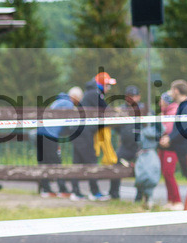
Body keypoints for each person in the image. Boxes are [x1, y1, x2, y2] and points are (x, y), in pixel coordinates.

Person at [72, 72, 116, 201]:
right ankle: (94, 192)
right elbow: (106, 111)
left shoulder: (92, 93)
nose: (109, 89)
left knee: (78, 162)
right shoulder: (94, 94)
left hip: (80, 132)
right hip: (83, 133)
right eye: (108, 85)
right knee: (90, 161)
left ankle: (77, 192)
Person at [160, 79, 187, 210]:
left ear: (176, 91)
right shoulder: (182, 106)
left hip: (185, 146)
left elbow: (184, 128)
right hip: (179, 145)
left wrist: (169, 139)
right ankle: (178, 201)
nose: (170, 94)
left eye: (171, 90)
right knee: (183, 172)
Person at [37, 86, 81, 198]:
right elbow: (68, 125)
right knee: (56, 162)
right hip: (50, 135)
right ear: (75, 97)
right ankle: (63, 189)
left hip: (40, 132)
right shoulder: (68, 104)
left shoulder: (58, 101)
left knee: (44, 162)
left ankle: (45, 189)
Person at [110, 85, 143, 200]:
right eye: (129, 96)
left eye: (134, 96)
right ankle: (113, 194)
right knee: (116, 164)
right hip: (125, 146)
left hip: (140, 147)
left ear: (138, 97)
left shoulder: (144, 109)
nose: (131, 99)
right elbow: (115, 126)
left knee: (142, 169)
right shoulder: (121, 109)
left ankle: (140, 196)